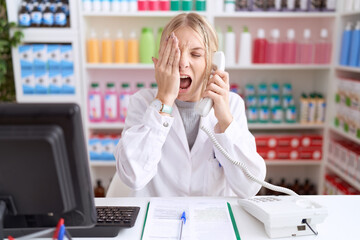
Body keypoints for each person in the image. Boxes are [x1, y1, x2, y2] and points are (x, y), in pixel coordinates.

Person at [114, 13, 266, 197]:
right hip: (159, 220)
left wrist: (225, 121)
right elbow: (132, 176)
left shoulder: (232, 104)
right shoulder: (142, 102)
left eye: (195, 54)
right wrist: (163, 100)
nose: (183, 64)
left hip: (213, 220)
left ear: (212, 63)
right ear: (160, 60)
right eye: (174, 53)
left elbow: (249, 187)